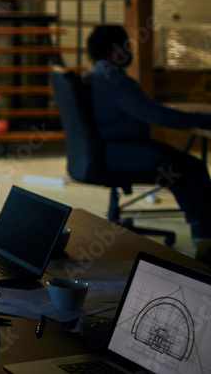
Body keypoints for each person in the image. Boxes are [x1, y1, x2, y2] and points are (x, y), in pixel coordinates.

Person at [86, 24, 211, 260]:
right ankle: (206, 239)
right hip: (125, 152)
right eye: (127, 46)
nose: (130, 52)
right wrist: (202, 119)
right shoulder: (117, 83)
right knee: (191, 168)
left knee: (179, 170)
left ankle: (202, 232)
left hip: (110, 150)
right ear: (116, 52)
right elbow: (157, 116)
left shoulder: (95, 77)